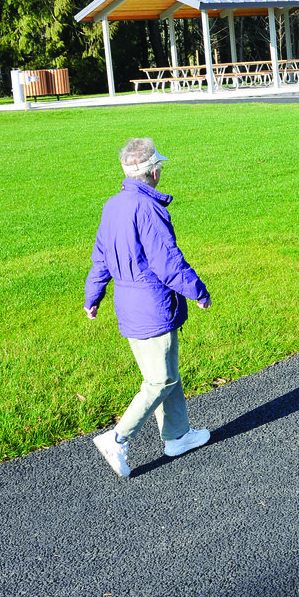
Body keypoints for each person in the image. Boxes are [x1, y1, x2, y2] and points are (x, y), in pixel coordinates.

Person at [84, 137, 212, 478]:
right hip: (151, 304)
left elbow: (101, 257)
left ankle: (178, 436)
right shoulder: (150, 209)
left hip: (128, 303)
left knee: (167, 372)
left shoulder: (113, 205)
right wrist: (197, 291)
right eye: (160, 167)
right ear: (153, 172)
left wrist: (92, 296)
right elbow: (167, 261)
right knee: (160, 378)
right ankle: (118, 438)